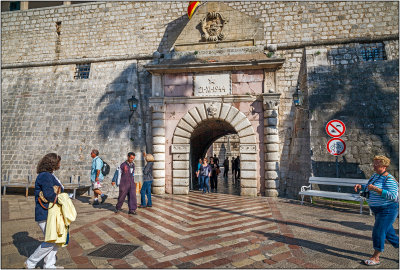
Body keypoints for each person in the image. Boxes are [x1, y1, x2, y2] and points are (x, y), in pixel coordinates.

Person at [354, 155, 399, 266]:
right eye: (374, 163)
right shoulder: (375, 176)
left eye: (376, 164)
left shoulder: (389, 179)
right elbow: (369, 187)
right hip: (378, 210)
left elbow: (393, 196)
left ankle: (376, 257)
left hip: (387, 210)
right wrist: (361, 186)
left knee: (378, 232)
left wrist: (377, 189)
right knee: (390, 235)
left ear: (384, 166)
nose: (373, 166)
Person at [25, 153, 64, 269]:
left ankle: (49, 265)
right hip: (45, 213)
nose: (60, 164)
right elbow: (49, 194)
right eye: (58, 162)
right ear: (53, 163)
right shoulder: (45, 176)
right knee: (51, 240)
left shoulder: (48, 175)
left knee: (55, 240)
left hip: (50, 212)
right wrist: (63, 200)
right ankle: (30, 262)